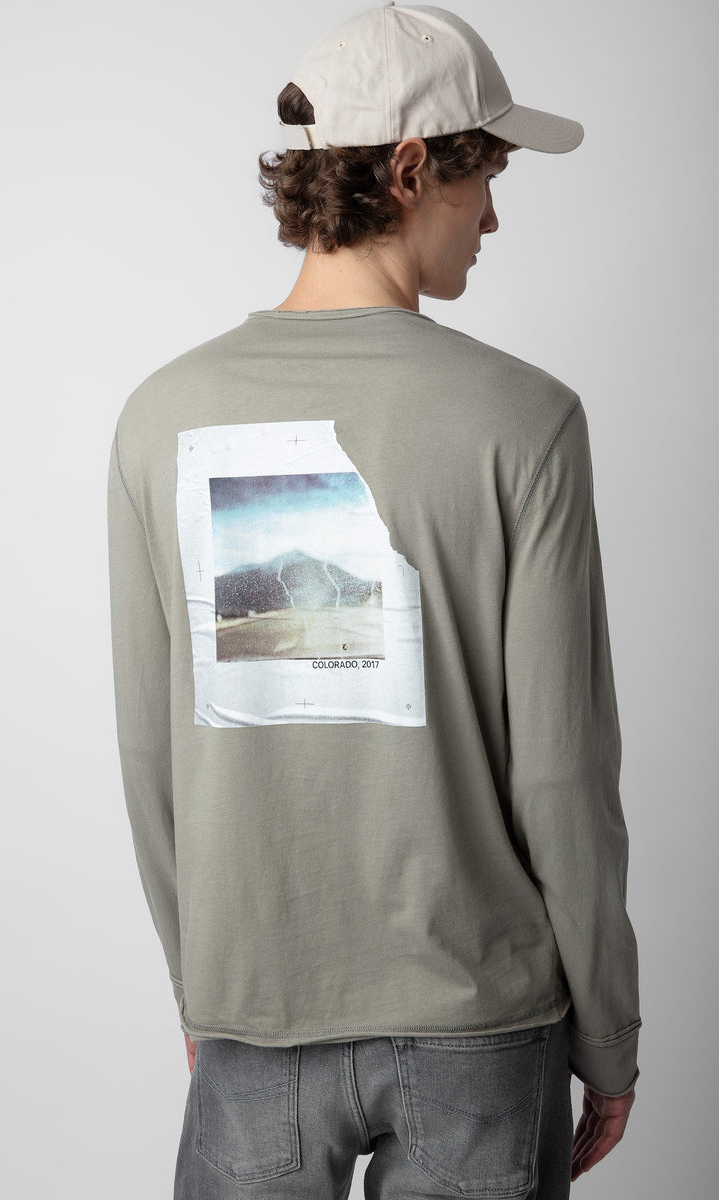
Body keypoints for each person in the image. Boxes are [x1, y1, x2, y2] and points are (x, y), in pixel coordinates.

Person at [107, 4, 640, 1197]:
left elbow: (148, 751)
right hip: (478, 1020)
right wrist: (607, 1033)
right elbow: (561, 773)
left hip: (252, 1013)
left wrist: (203, 986)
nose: (491, 217)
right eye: (483, 178)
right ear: (408, 170)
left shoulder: (159, 415)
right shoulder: (523, 419)